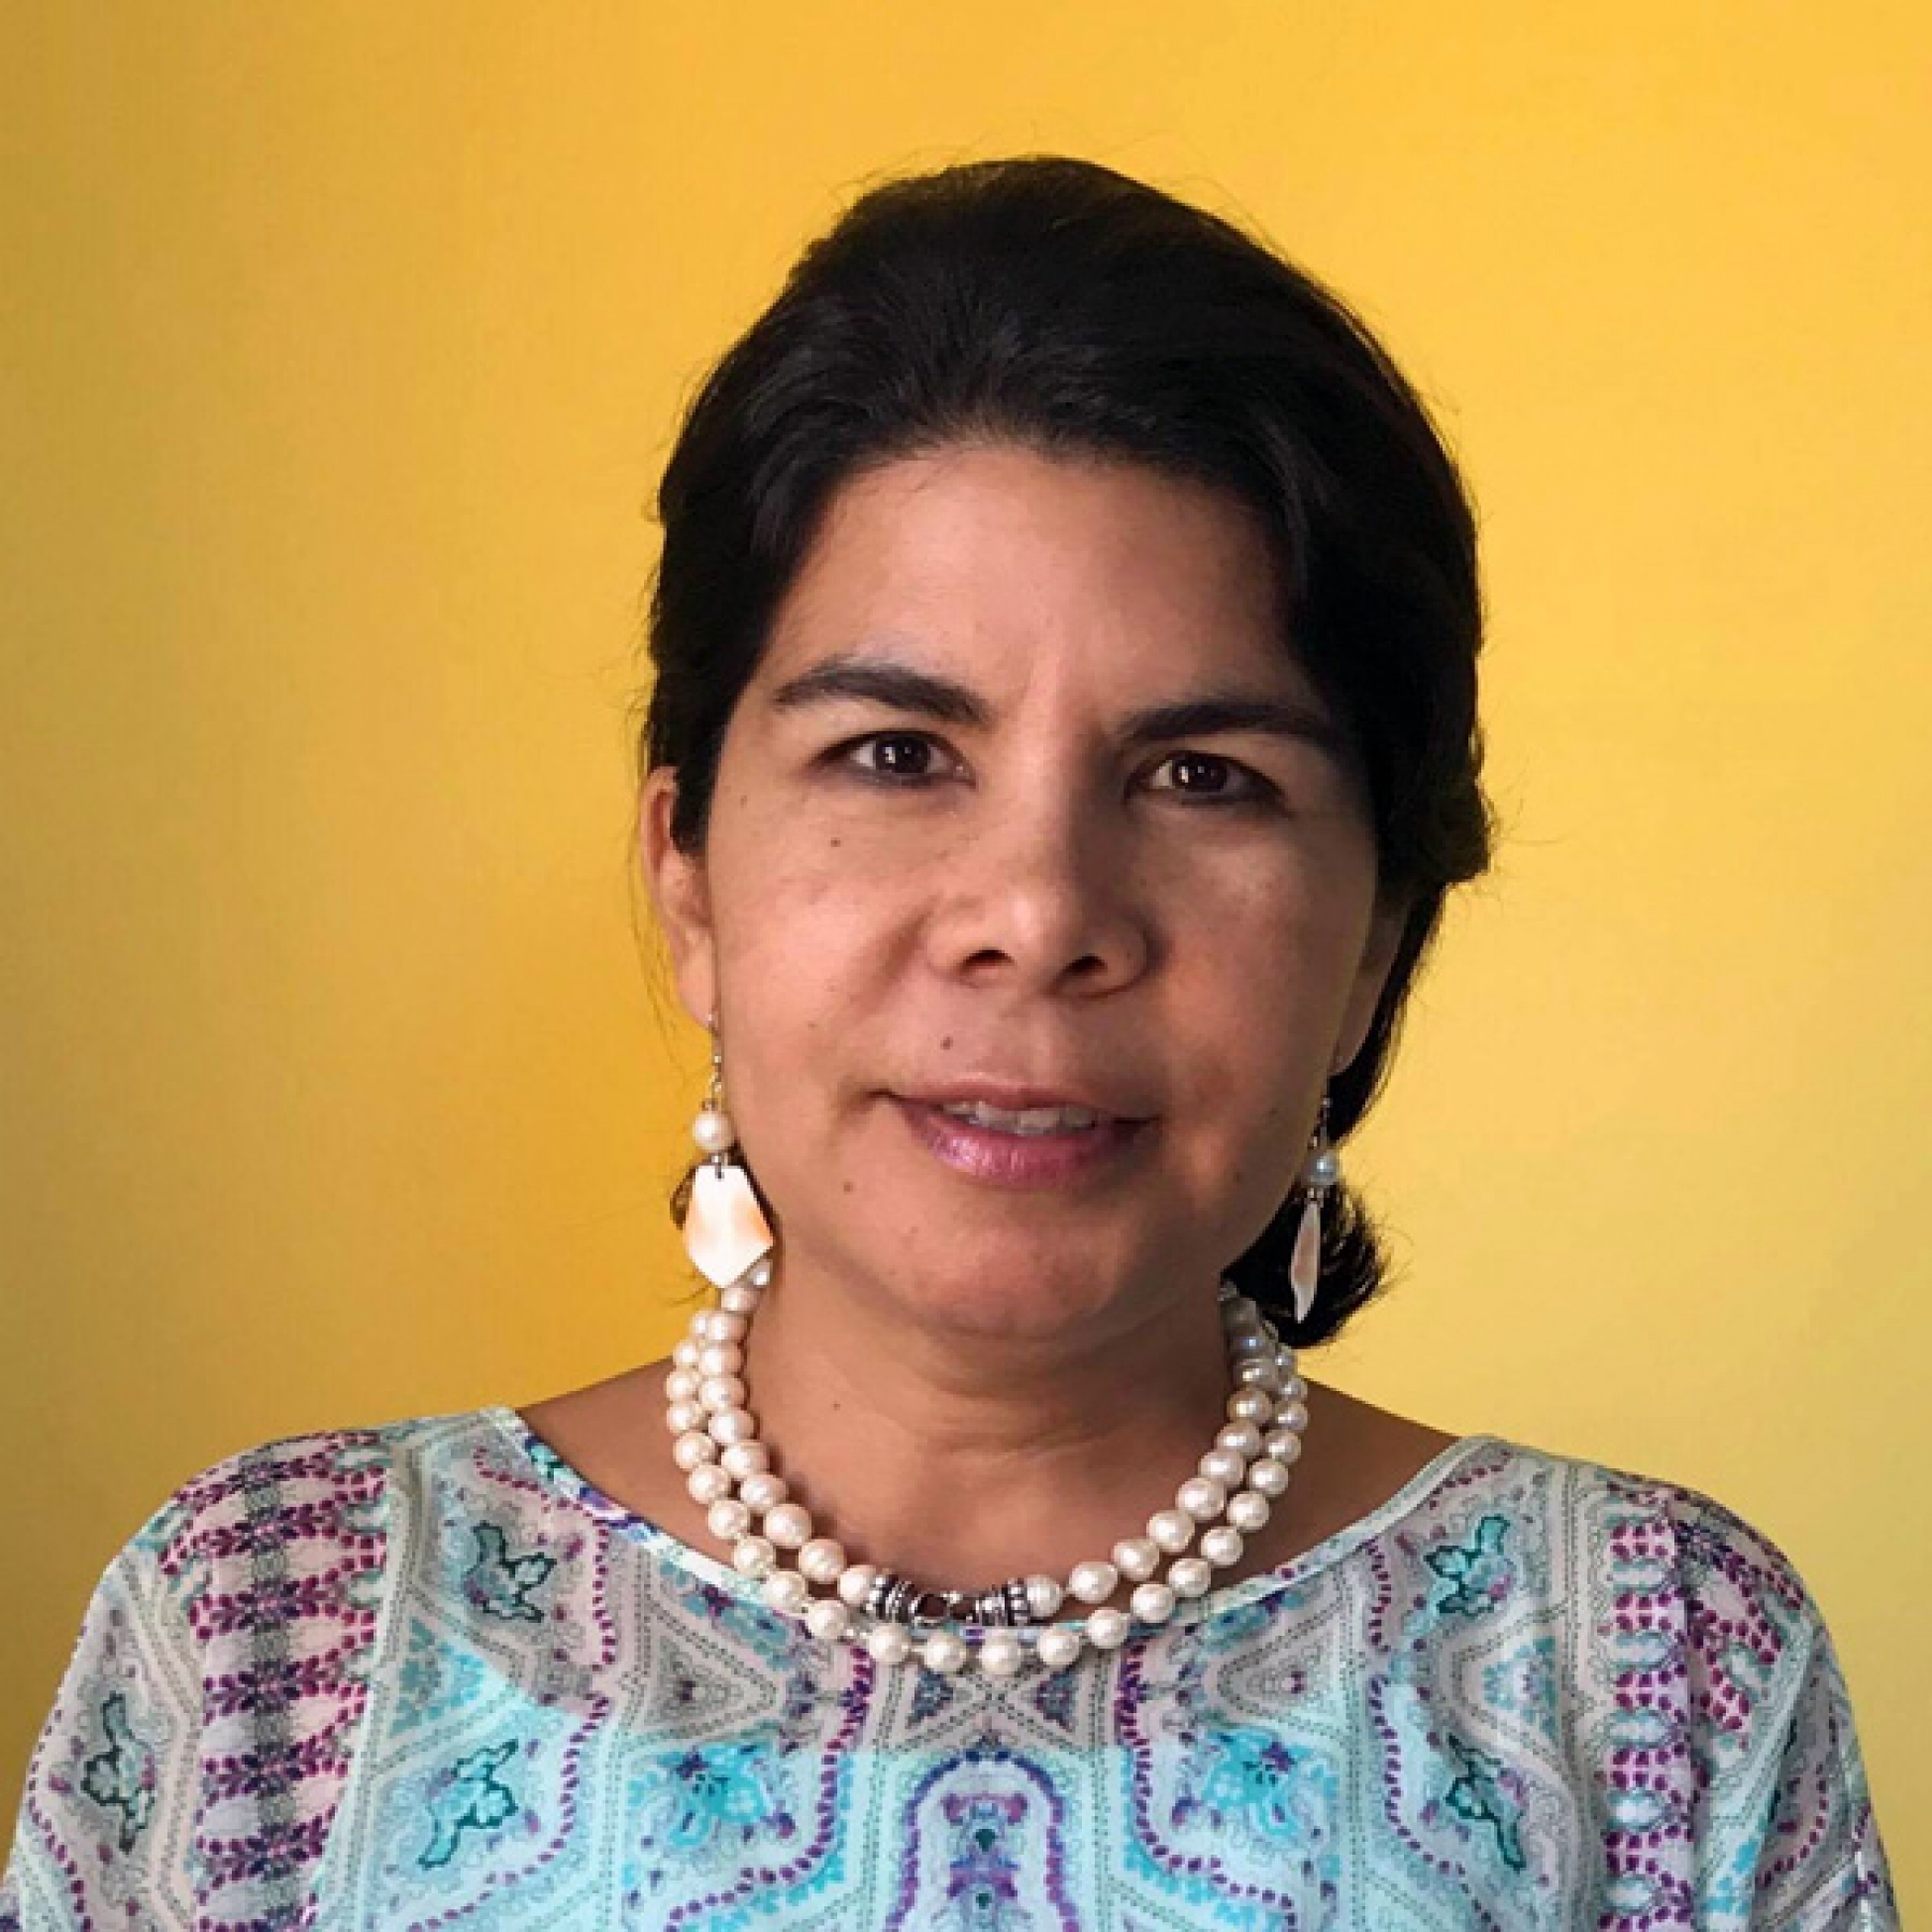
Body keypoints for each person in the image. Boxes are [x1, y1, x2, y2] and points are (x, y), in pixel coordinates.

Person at [2, 155, 1897, 1930]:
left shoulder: (1648, 1672)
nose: (1038, 909)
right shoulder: (274, 1640)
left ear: (1374, 943)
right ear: (686, 875)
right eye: (896, 753)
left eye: (1201, 774)